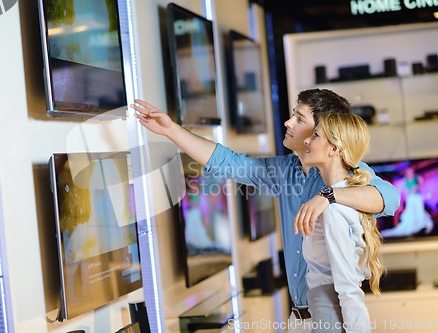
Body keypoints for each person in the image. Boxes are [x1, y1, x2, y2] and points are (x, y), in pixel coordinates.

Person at [130, 89, 400, 332]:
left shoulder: (346, 172)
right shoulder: (285, 170)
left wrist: (328, 196)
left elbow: (390, 197)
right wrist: (171, 130)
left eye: (299, 119)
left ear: (326, 132)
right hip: (299, 318)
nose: (288, 123)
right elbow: (228, 162)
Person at [300, 112, 385, 332]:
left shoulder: (334, 209)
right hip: (324, 313)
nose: (306, 140)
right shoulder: (338, 198)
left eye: (315, 135)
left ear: (334, 149)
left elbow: (348, 290)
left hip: (329, 316)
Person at [380, 167, 433, 238]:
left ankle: (420, 225)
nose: (410, 173)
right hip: (410, 199)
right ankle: (413, 226)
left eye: (411, 171)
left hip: (417, 198)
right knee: (411, 212)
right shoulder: (404, 180)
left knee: (419, 211)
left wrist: (416, 187)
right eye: (409, 172)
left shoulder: (417, 177)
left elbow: (421, 183)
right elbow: (403, 191)